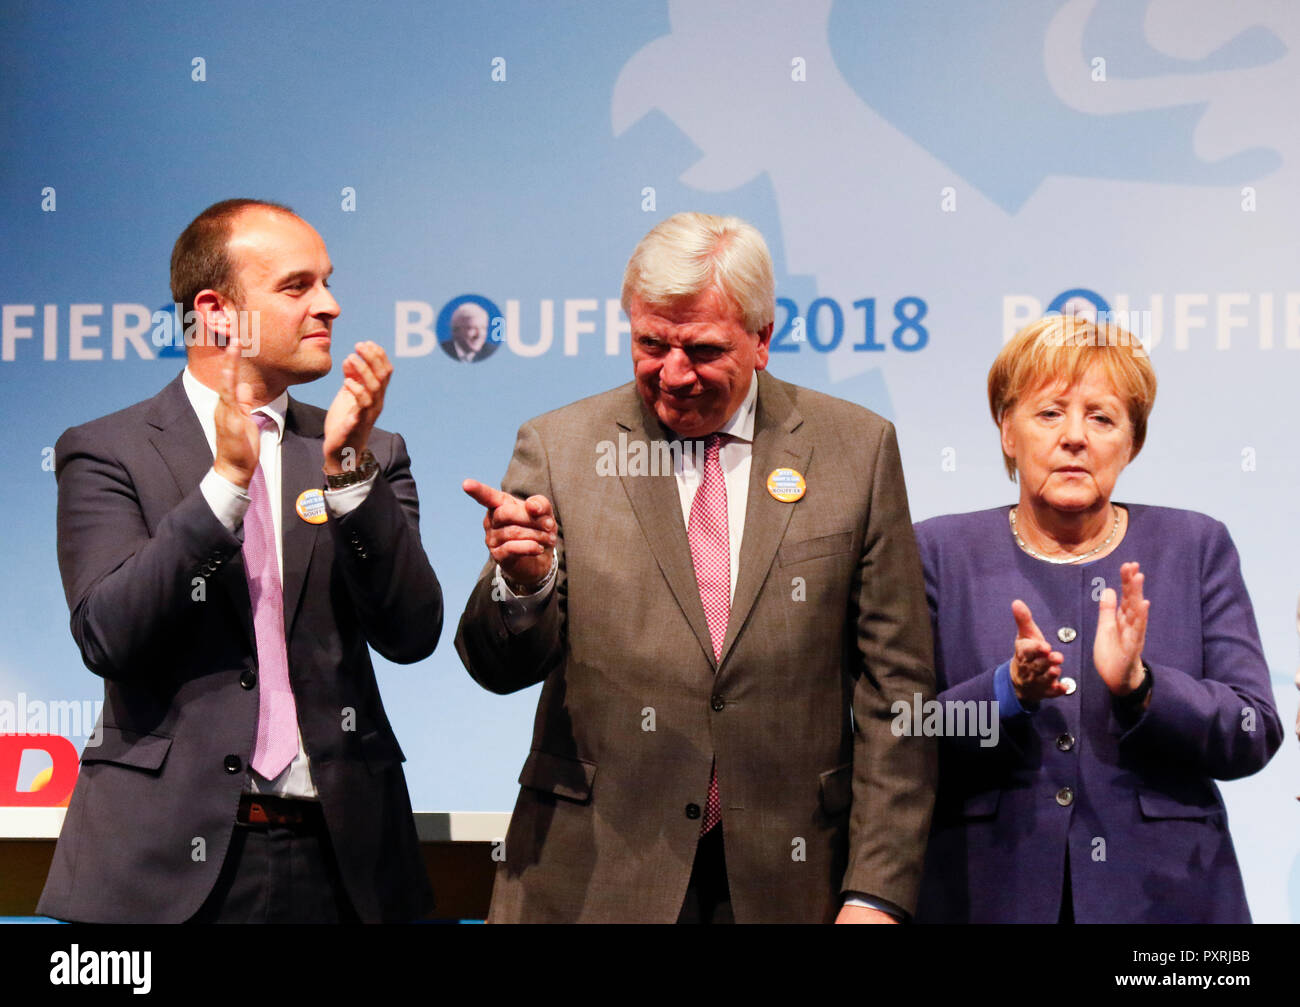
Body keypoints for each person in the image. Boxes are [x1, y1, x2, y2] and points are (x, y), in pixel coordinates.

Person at [456, 211, 936, 923]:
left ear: (764, 339)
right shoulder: (559, 447)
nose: (673, 375)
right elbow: (496, 667)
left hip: (792, 883)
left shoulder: (855, 451)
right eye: (651, 344)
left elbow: (899, 693)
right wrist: (525, 586)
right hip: (590, 880)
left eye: (704, 350)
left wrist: (876, 892)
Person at [38, 199, 442, 923]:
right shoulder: (107, 450)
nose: (331, 306)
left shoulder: (370, 449)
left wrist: (350, 474)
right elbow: (108, 634)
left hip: (346, 865)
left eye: (327, 282)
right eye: (298, 287)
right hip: (160, 871)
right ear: (217, 311)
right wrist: (223, 487)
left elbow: (411, 633)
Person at [913, 314, 1281, 923]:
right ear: (1008, 431)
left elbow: (1253, 729)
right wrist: (1005, 693)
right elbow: (898, 734)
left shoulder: (1195, 545)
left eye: (1102, 417)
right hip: (985, 895)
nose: (1075, 437)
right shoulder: (938, 552)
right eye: (1050, 413)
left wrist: (1143, 689)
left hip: (1168, 907)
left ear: (1131, 442)